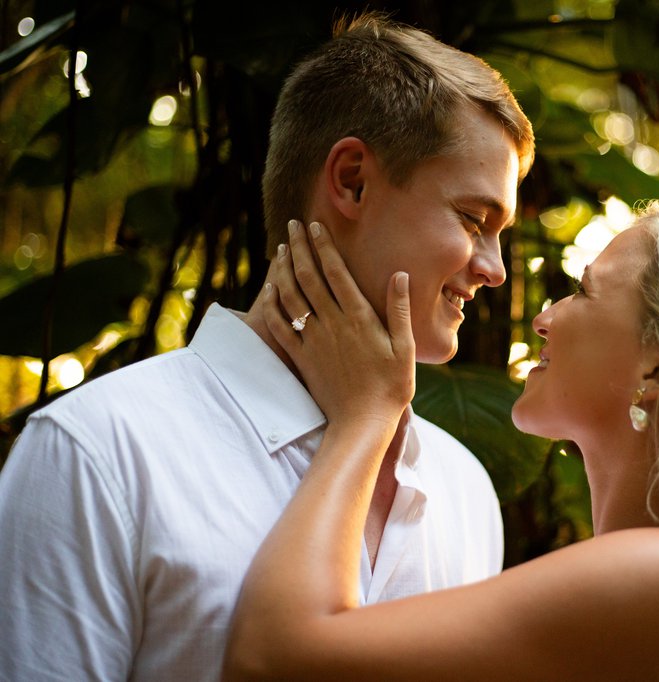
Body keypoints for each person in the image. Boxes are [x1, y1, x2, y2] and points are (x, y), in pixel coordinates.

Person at [0, 14, 534, 681]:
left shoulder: (464, 489)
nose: (495, 270)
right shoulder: (98, 451)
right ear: (352, 181)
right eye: (475, 220)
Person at [222, 206, 659, 681]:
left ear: (657, 368)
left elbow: (274, 659)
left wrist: (364, 416)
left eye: (582, 292)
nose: (543, 317)